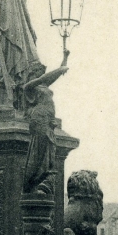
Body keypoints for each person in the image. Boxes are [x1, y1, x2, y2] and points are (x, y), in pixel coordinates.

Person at [22, 51, 69, 195]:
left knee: (49, 150)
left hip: (48, 121)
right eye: (40, 71)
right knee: (40, 150)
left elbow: (55, 75)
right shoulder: (29, 87)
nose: (42, 74)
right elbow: (47, 77)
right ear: (34, 72)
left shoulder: (43, 85)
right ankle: (31, 181)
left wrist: (65, 58)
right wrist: (59, 70)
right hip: (39, 119)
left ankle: (41, 180)